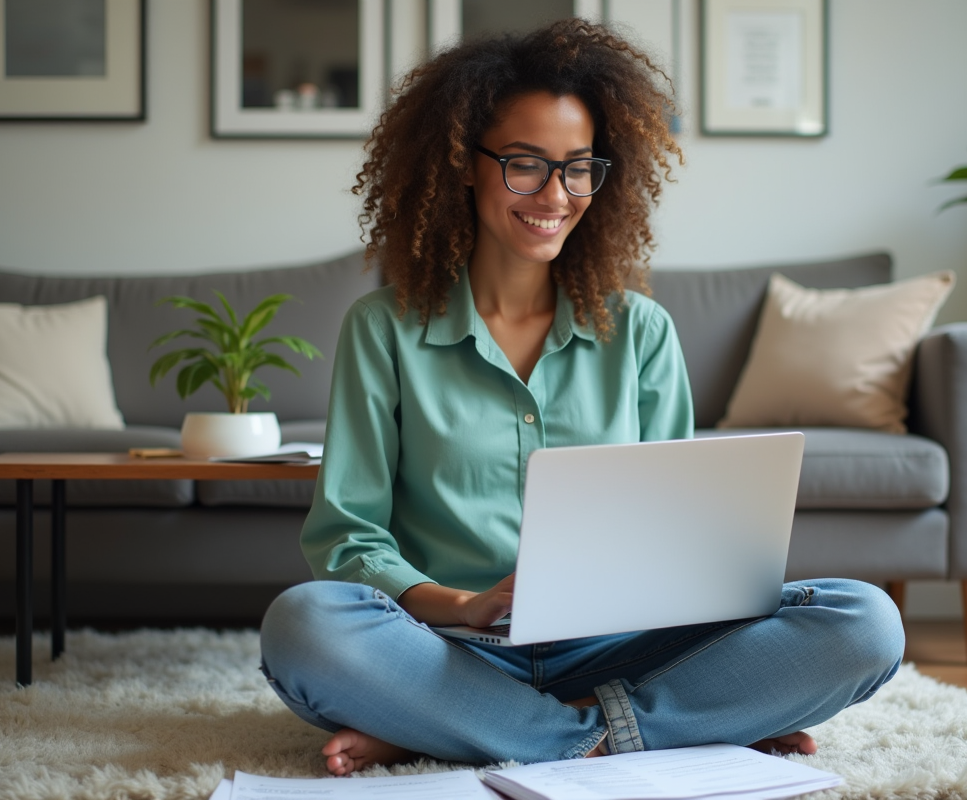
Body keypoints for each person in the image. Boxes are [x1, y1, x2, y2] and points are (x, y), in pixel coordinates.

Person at [259, 18, 905, 775]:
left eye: (578, 168)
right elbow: (347, 540)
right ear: (465, 165)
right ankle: (641, 731)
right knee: (303, 625)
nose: (555, 195)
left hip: (624, 648)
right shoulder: (385, 329)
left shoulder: (641, 333)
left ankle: (460, 731)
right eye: (526, 165)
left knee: (866, 623)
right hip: (450, 647)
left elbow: (684, 538)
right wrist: (463, 604)